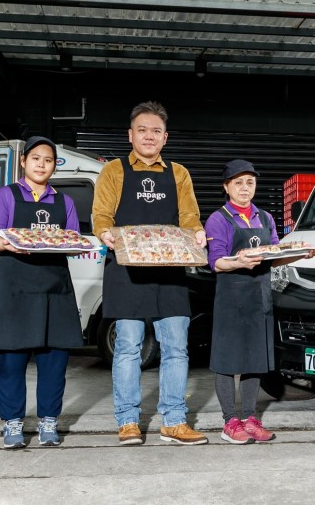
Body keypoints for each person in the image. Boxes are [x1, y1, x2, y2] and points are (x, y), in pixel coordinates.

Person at [92, 101, 208, 446]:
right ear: (130, 134)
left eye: (156, 131)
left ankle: (174, 420)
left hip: (170, 269)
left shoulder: (178, 173)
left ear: (165, 137)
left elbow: (188, 217)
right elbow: (101, 217)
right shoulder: (113, 171)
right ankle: (128, 421)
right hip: (126, 269)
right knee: (128, 347)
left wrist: (197, 232)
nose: (148, 136)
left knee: (176, 347)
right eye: (142, 129)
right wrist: (105, 234)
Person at [204, 159, 315, 444]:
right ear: (226, 187)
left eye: (250, 182)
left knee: (254, 359)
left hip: (260, 296)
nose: (245, 188)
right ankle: (229, 422)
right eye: (238, 183)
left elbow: (274, 256)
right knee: (227, 361)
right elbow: (215, 261)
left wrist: (301, 254)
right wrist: (239, 261)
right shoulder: (218, 219)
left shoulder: (265, 218)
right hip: (231, 298)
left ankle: (249, 418)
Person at [0, 136, 84, 449]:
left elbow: (72, 240)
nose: (42, 164)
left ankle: (48, 422)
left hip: (54, 288)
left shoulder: (64, 202)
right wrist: (8, 244)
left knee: (55, 360)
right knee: (11, 360)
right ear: (24, 161)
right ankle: (13, 424)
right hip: (16, 289)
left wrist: (78, 245)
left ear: (54, 165)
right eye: (36, 158)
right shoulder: (6, 196)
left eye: (49, 160)